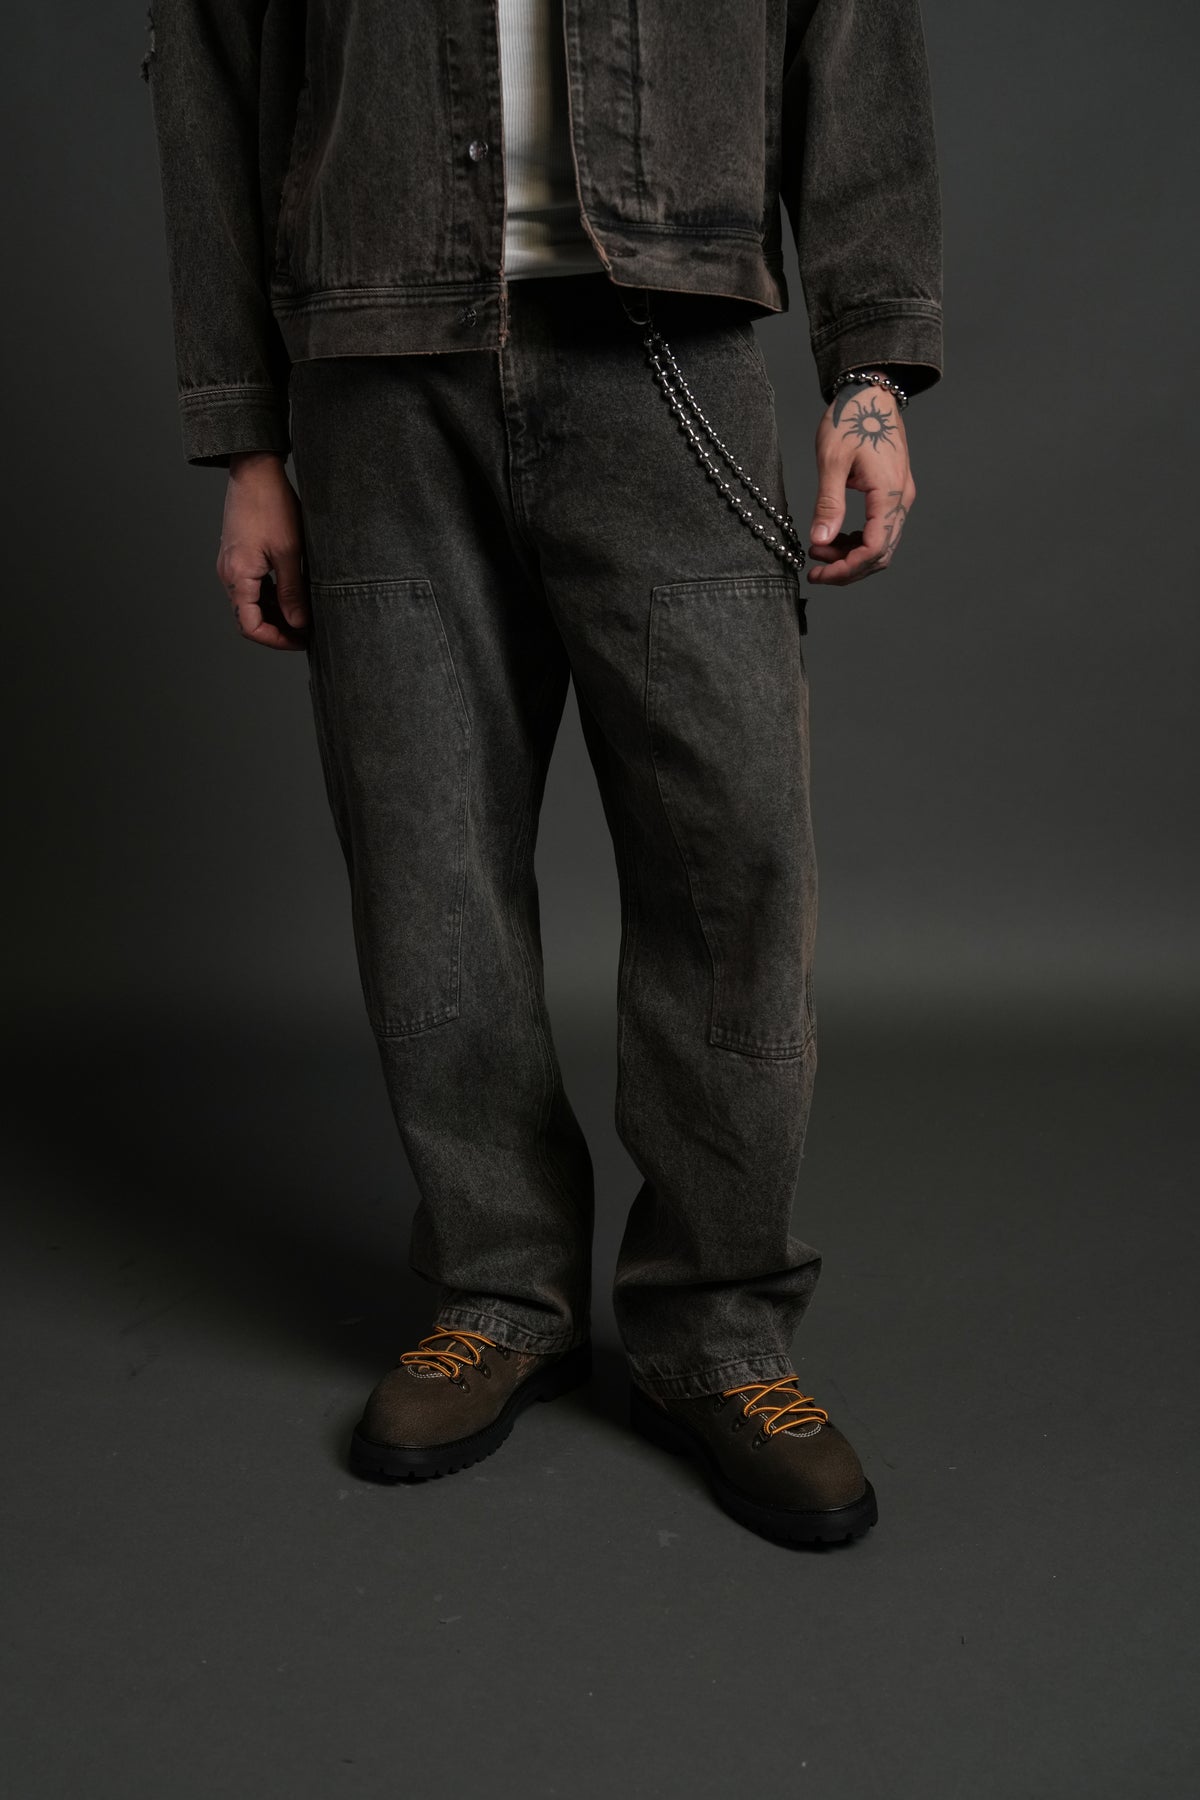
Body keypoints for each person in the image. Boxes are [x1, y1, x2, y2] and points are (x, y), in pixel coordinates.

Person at [142, 0, 942, 1548]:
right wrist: (246, 445)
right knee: (426, 864)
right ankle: (499, 1293)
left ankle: (718, 1324)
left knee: (734, 863)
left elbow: (854, 38)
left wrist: (872, 372)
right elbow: (210, 79)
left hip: (669, 344)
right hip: (379, 371)